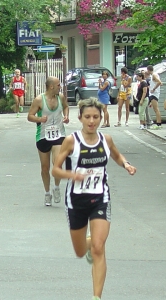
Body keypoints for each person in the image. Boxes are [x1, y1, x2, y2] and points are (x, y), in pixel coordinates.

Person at [52, 97, 136, 300]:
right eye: (87, 117)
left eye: (96, 117)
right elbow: (55, 170)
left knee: (99, 248)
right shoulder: (71, 141)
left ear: (101, 118)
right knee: (81, 251)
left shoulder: (106, 140)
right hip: (76, 201)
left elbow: (116, 155)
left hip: (100, 198)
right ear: (80, 117)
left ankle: (96, 297)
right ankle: (86, 244)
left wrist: (126, 164)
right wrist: (73, 175)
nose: (92, 121)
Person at [27, 76, 69, 206]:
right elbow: (30, 116)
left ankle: (56, 187)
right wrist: (39, 119)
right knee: (45, 168)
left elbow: (66, 107)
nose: (60, 87)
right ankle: (47, 193)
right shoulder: (39, 100)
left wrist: (66, 116)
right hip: (43, 135)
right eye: (58, 85)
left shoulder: (60, 97)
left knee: (57, 164)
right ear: (51, 86)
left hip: (59, 134)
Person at [147, 65, 163, 129]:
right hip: (153, 94)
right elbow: (159, 83)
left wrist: (153, 89)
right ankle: (158, 123)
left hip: (154, 94)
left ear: (148, 70)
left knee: (156, 109)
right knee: (155, 109)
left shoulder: (154, 75)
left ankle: (158, 123)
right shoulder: (153, 75)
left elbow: (159, 82)